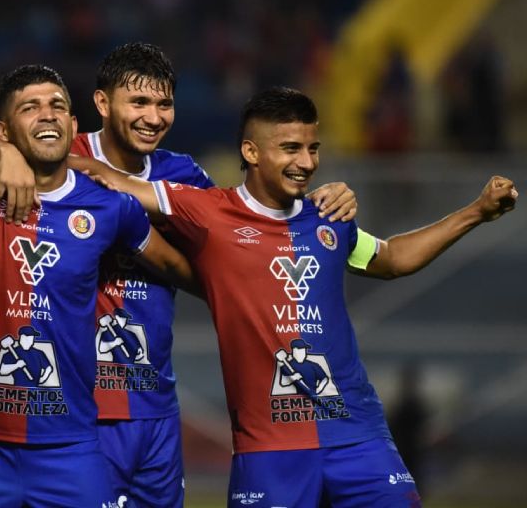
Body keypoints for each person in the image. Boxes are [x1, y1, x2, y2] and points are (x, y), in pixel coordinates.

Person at [74, 86, 518, 507]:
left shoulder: (329, 218)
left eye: (313, 148)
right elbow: (108, 178)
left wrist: (476, 211)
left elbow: (392, 258)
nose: (306, 162)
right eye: (290, 148)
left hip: (358, 437)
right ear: (251, 152)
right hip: (270, 450)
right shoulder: (207, 211)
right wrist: (33, 151)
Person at [70, 42, 357, 506]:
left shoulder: (182, 175)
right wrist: (3, 155)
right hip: (77, 403)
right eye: (138, 102)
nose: (153, 117)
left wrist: (322, 198)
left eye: (164, 104)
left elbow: (241, 238)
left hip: (154, 402)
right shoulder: (57, 154)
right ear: (103, 103)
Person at [0, 64, 199, 507]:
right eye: (30, 107)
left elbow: (180, 267)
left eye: (56, 105)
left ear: (73, 126)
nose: (47, 114)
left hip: (71, 446)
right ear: (3, 129)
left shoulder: (113, 208)